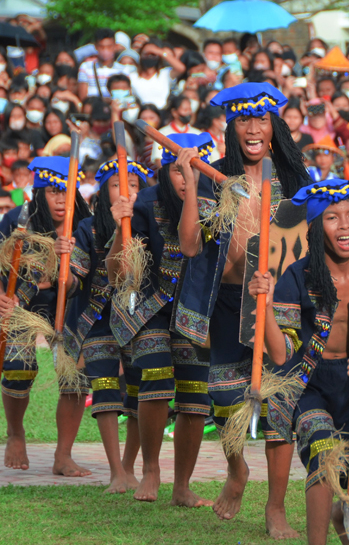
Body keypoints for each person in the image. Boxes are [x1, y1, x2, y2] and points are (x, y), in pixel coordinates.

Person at [177, 83, 309, 537]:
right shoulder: (217, 179)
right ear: (230, 128)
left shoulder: (296, 182)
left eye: (262, 120)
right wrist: (193, 187)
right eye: (243, 121)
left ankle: (276, 508)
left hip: (282, 305)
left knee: (281, 406)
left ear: (275, 127)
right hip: (229, 301)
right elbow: (191, 245)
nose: (253, 129)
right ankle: (237, 471)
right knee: (224, 395)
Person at [248, 179, 349, 545]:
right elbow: (281, 352)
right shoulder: (298, 275)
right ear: (316, 229)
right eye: (332, 218)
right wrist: (264, 304)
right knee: (323, 456)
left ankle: (339, 515)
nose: (345, 225)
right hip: (309, 382)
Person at [106, 154, 211, 505]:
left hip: (195, 308)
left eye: (194, 170)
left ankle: (182, 485)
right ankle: (151, 469)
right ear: (164, 173)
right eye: (178, 170)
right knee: (156, 372)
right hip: (149, 305)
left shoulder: (216, 204)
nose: (185, 177)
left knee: (196, 393)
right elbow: (117, 274)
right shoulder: (145, 203)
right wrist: (120, 225)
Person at [58, 157, 150, 493]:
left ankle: (130, 466)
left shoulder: (149, 224)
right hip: (96, 320)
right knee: (107, 387)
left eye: (134, 185)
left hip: (139, 319)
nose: (126, 191)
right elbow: (70, 285)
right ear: (104, 192)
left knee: (142, 392)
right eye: (117, 185)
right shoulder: (87, 229)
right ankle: (115, 471)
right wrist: (62, 267)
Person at [1, 156, 92, 474]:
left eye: (66, 192)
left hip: (69, 308)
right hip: (22, 308)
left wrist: (69, 263)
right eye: (53, 191)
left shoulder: (85, 225)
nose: (60, 199)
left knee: (76, 377)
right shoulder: (16, 221)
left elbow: (93, 276)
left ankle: (63, 455)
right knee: (16, 368)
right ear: (40, 192)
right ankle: (16, 433)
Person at [129, 39, 186, 110]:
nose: (149, 56)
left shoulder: (165, 73)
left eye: (153, 54)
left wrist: (160, 52)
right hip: (143, 113)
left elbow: (181, 68)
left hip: (163, 111)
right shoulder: (132, 77)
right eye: (146, 54)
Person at [150, 95, 201, 168]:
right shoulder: (162, 133)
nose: (189, 113)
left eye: (190, 109)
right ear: (174, 112)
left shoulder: (197, 133)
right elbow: (158, 159)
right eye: (185, 110)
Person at [78, 28, 127, 100]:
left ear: (115, 46)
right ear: (96, 47)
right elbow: (83, 96)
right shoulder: (86, 67)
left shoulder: (123, 69)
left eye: (109, 47)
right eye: (102, 47)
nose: (105, 50)